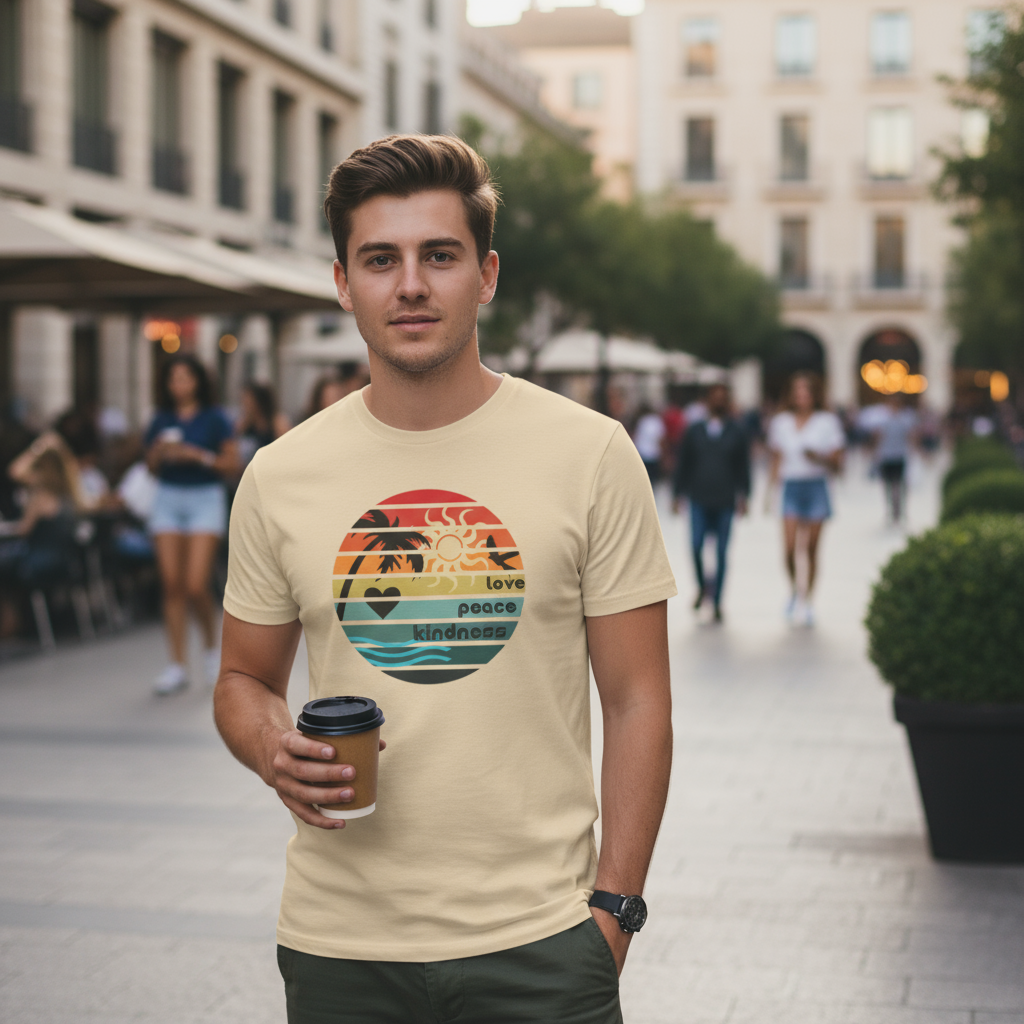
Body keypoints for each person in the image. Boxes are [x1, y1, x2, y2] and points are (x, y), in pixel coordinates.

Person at [214, 134, 676, 1023]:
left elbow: (637, 699)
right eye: (379, 260)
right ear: (344, 282)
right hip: (340, 948)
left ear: (486, 274)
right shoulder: (280, 474)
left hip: (543, 944)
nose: (411, 285)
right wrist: (273, 747)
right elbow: (242, 677)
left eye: (439, 255)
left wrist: (614, 913)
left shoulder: (589, 454)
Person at [145, 355, 237, 694]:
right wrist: (158, 453)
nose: (179, 384)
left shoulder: (215, 418)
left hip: (204, 496)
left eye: (185, 377)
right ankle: (177, 665)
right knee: (172, 584)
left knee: (196, 584)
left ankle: (212, 651)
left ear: (198, 380)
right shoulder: (161, 419)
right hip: (167, 496)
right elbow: (150, 468)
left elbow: (232, 463)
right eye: (173, 378)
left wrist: (197, 455)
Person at [767, 373, 844, 627]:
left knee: (810, 547)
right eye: (797, 391)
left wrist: (818, 457)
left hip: (816, 486)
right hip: (791, 486)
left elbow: (838, 461)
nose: (802, 396)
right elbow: (776, 458)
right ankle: (794, 589)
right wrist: (770, 492)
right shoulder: (781, 422)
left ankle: (808, 599)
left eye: (806, 391)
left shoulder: (827, 421)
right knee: (789, 548)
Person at [671, 384, 750, 623]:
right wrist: (677, 493)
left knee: (721, 552)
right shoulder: (694, 430)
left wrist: (745, 495)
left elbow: (743, 465)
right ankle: (703, 586)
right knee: (696, 546)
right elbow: (683, 462)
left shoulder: (736, 431)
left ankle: (716, 601)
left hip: (725, 498)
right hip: (699, 497)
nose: (719, 402)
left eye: (723, 397)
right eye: (715, 397)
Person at [871, 394, 918, 525]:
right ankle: (895, 510)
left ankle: (895, 510)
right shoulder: (900, 420)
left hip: (894, 456)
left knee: (894, 485)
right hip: (891, 456)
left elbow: (878, 438)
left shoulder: (887, 420)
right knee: (893, 485)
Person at [235, 383, 290, 470]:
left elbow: (286, 451)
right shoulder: (245, 423)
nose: (244, 404)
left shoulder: (277, 423)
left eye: (247, 400)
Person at [632, 404, 666, 484]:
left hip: (642, 453)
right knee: (653, 480)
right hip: (653, 454)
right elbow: (661, 438)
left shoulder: (642, 420)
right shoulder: (657, 421)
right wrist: (663, 454)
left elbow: (637, 437)